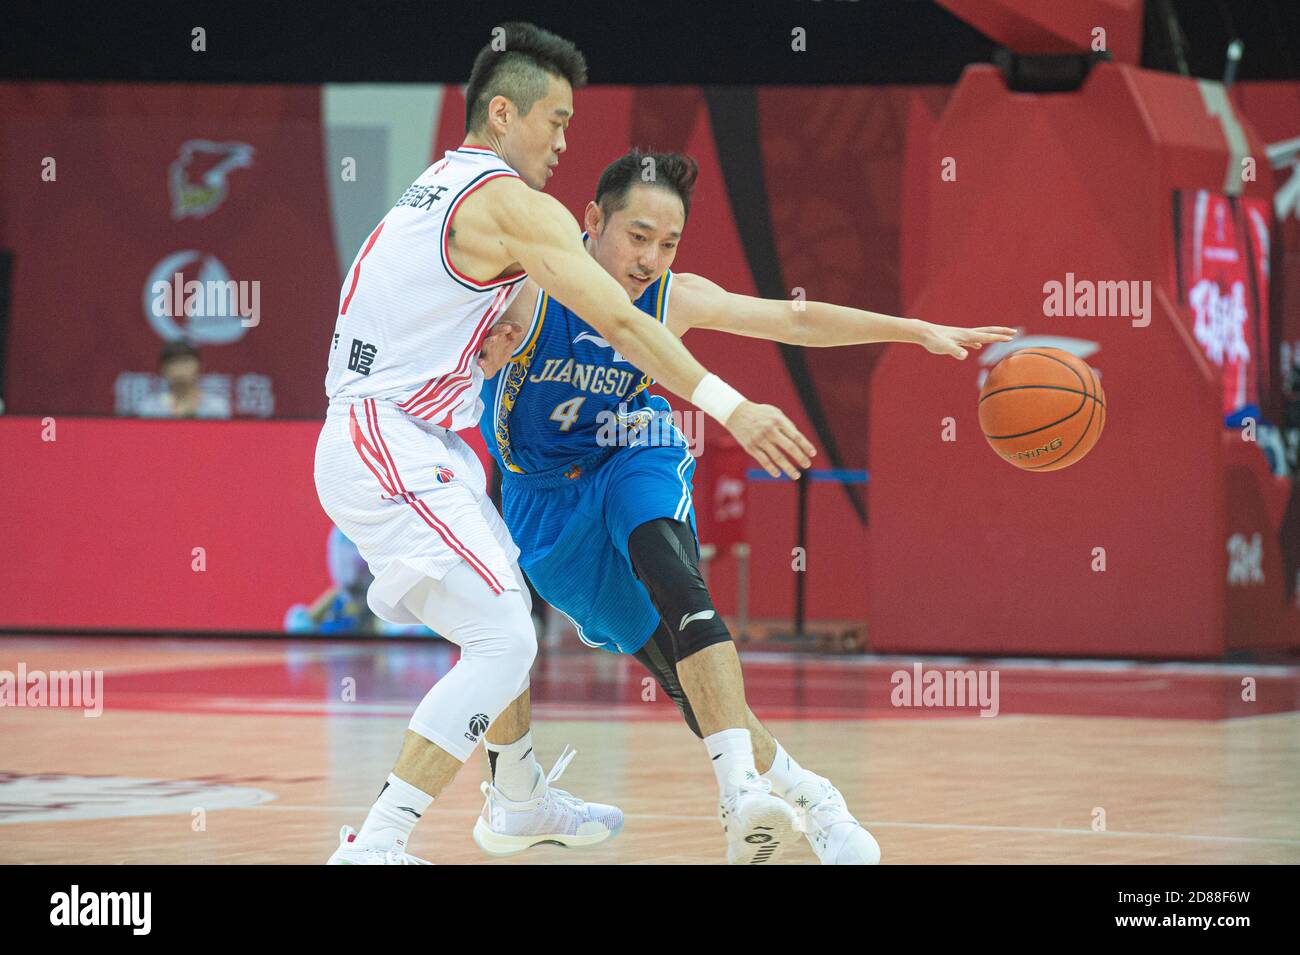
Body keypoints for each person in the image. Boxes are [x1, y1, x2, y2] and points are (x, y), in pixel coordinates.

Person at [312, 24, 818, 865]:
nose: (562, 140)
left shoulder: (438, 187)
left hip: (414, 436)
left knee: (504, 612)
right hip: (385, 436)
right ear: (502, 112)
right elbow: (619, 318)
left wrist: (474, 339)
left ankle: (513, 799)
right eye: (554, 120)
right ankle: (376, 843)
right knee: (506, 636)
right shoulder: (511, 201)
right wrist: (733, 404)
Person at [477, 149, 1017, 863]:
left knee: (678, 581)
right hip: (542, 503)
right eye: (637, 237)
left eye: (668, 243)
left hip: (630, 451)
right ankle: (811, 794)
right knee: (682, 679)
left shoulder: (675, 297)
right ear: (592, 220)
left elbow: (793, 320)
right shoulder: (527, 286)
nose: (650, 258)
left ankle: (739, 797)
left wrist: (913, 330)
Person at [136, 340, 230, 419]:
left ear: (200, 367)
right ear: (162, 369)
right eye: (174, 362)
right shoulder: (150, 408)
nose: (180, 367)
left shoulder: (216, 408)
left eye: (186, 361)